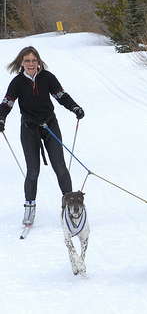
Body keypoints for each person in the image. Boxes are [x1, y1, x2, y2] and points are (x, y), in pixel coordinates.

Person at [0, 46, 85, 226]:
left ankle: (70, 208)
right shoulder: (17, 82)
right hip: (29, 129)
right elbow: (7, 103)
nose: (31, 64)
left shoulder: (47, 77)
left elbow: (61, 96)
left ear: (39, 62)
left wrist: (75, 107)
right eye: (27, 61)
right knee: (33, 172)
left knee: (60, 168)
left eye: (34, 60)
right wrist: (1, 119)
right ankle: (29, 209)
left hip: (50, 126)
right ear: (21, 63)